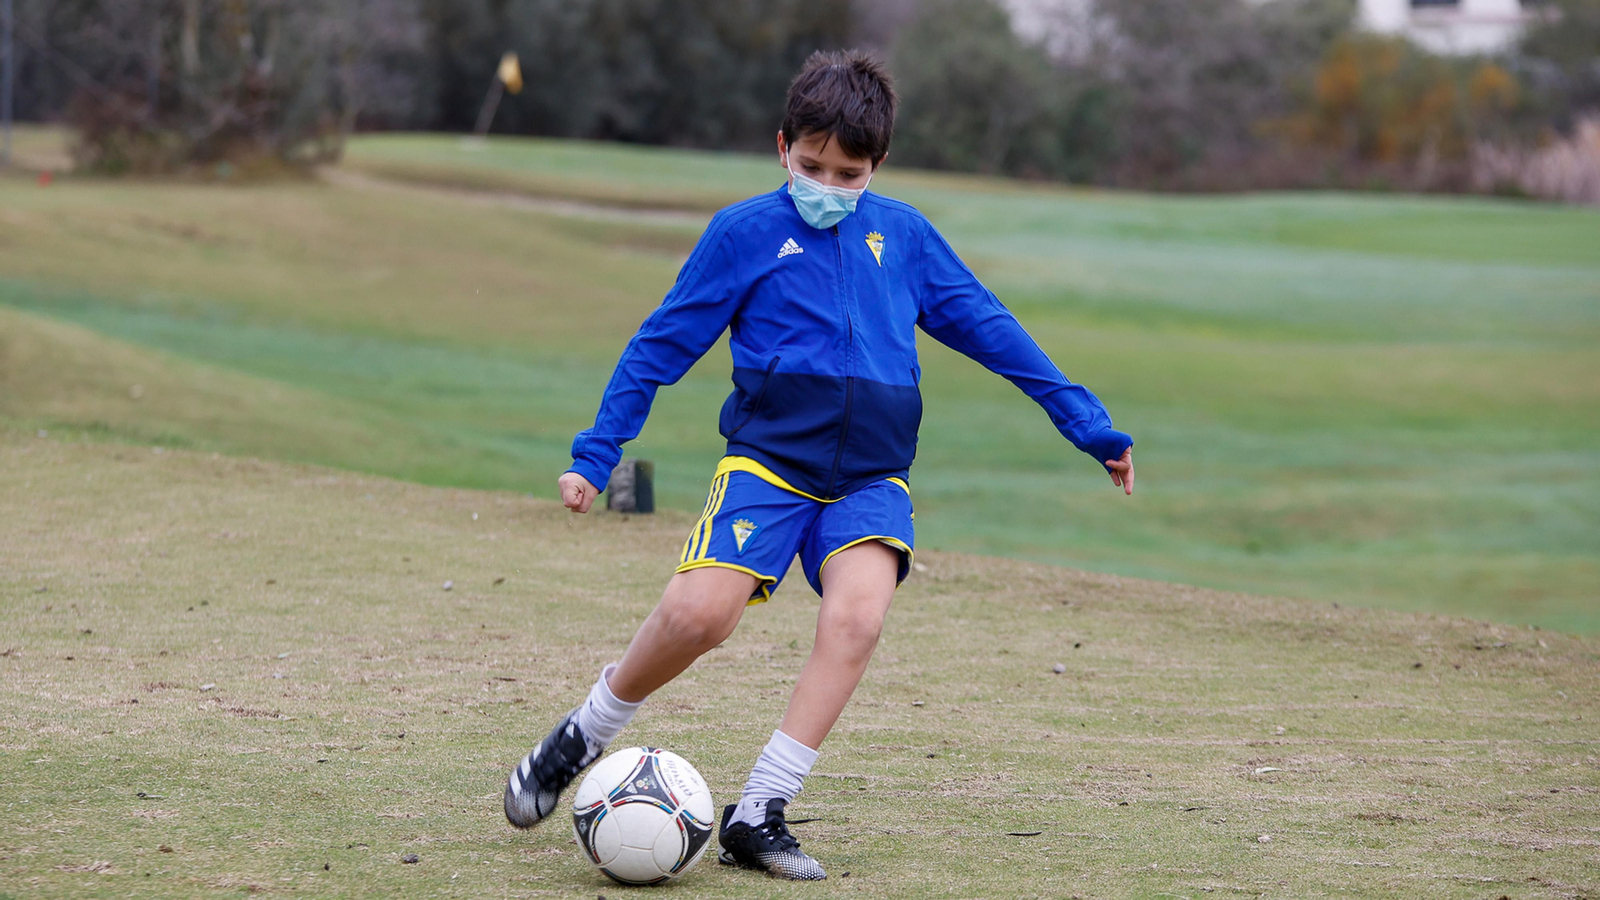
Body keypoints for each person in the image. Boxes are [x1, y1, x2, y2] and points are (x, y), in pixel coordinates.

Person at [504, 49, 1134, 881]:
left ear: (876, 166)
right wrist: (598, 454)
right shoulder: (745, 234)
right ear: (782, 149)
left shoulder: (905, 238)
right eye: (811, 167)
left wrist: (1088, 425)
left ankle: (760, 812)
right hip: (768, 465)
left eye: (849, 173)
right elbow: (658, 347)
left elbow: (992, 328)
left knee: (858, 617)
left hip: (871, 478)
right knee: (702, 618)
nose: (828, 186)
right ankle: (584, 732)